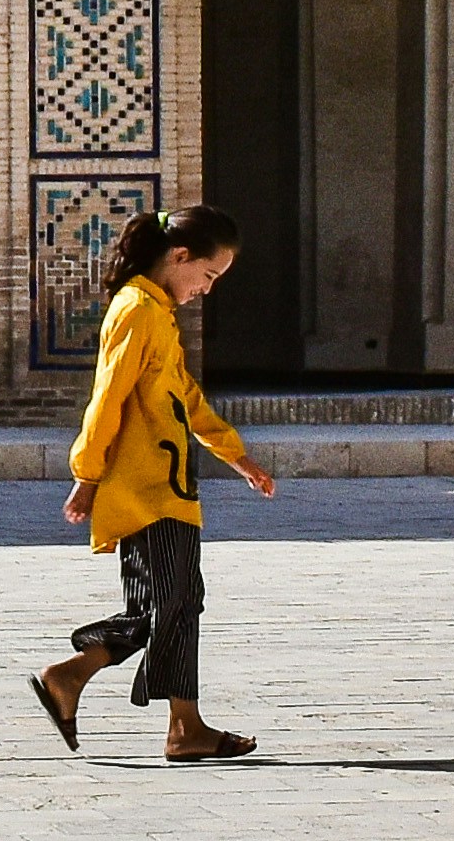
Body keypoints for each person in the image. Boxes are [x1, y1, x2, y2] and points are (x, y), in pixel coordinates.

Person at [33, 203, 277, 763]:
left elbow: (185, 397)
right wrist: (88, 475)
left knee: (181, 601)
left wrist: (235, 456)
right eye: (208, 276)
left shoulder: (158, 313)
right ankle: (69, 675)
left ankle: (185, 728)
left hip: (171, 487)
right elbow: (108, 398)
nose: (207, 290)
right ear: (180, 256)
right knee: (163, 604)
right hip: (143, 490)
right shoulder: (136, 310)